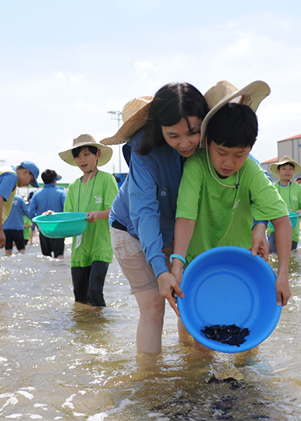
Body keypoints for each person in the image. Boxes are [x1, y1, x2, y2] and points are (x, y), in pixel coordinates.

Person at [165, 81, 292, 323]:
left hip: (239, 261)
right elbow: (186, 217)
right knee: (195, 336)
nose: (229, 163)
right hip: (198, 261)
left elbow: (283, 221)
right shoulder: (196, 165)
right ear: (208, 141)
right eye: (221, 152)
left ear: (250, 149)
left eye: (239, 155)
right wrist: (178, 263)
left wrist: (283, 274)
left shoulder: (252, 171)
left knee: (243, 327)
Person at [101, 83, 209, 354]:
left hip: (178, 231)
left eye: (192, 133)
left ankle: (192, 366)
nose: (184, 143)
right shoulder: (143, 150)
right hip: (131, 229)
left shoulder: (212, 141)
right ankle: (150, 384)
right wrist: (161, 269)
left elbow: (246, 164)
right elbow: (144, 213)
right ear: (160, 129)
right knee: (153, 306)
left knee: (189, 299)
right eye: (173, 135)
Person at [59, 134, 119, 307]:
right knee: (79, 297)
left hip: (101, 245)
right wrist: (52, 216)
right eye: (77, 155)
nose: (81, 159)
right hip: (79, 249)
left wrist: (97, 214)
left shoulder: (107, 180)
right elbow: (67, 216)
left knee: (94, 290)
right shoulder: (73, 186)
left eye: (86, 154)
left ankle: (101, 329)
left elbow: (115, 211)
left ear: (97, 155)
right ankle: (86, 330)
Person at [267, 156, 301, 252]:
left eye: (290, 169)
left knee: (291, 258)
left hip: (293, 231)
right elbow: (266, 206)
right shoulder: (272, 188)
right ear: (278, 171)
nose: (287, 171)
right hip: (274, 229)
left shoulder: (299, 188)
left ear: (294, 171)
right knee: (274, 255)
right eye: (284, 169)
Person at [28, 169, 67, 259]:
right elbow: (67, 209)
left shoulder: (36, 195)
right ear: (54, 181)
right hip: (58, 229)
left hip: (44, 230)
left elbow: (30, 212)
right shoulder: (61, 194)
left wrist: (38, 224)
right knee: (59, 257)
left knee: (46, 258)